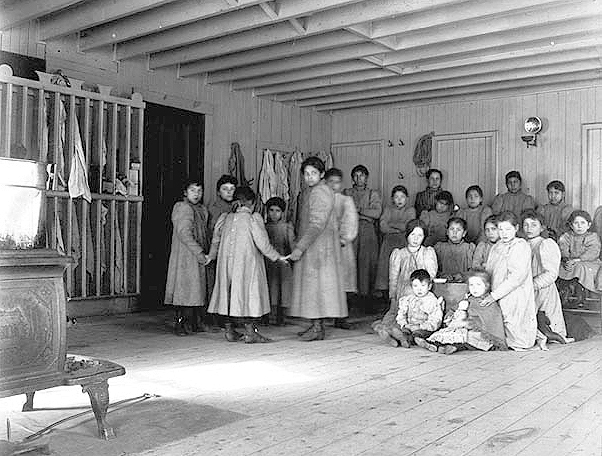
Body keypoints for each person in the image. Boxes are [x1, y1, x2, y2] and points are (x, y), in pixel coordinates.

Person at [206, 186, 286, 343]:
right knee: (248, 296)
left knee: (228, 295)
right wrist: (277, 257)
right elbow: (263, 244)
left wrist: (211, 256)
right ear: (252, 202)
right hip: (247, 265)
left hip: (226, 265)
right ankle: (251, 333)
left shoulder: (225, 218)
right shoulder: (253, 218)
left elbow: (215, 240)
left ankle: (229, 331)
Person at [289, 157, 348, 341]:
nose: (309, 177)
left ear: (322, 174)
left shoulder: (318, 192)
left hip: (318, 246)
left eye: (313, 173)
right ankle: (315, 326)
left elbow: (316, 224)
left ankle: (317, 328)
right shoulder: (320, 190)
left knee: (315, 287)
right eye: (306, 174)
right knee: (316, 287)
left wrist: (300, 247)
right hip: (321, 245)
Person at [371, 219, 438, 346]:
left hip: (422, 293)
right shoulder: (399, 253)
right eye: (412, 234)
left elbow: (431, 274)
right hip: (403, 294)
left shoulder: (427, 252)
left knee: (417, 319)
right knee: (397, 316)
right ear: (407, 235)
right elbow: (394, 276)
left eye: (420, 235)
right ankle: (391, 335)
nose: (416, 238)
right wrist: (393, 295)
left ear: (424, 237)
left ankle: (403, 336)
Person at [417, 269, 508, 354]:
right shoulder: (468, 298)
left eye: (478, 285)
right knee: (449, 332)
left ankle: (455, 347)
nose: (474, 288)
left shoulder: (488, 302)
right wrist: (451, 316)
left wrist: (468, 322)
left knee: (469, 336)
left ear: (486, 286)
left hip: (479, 333)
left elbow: (489, 322)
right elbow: (455, 308)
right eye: (471, 285)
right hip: (461, 326)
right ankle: (433, 344)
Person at [483, 211, 537, 350]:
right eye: (500, 229)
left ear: (516, 228)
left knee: (515, 329)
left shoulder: (520, 245)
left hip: (515, 293)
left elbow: (516, 277)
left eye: (508, 229)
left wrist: (494, 295)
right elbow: (489, 270)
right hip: (497, 291)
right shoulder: (496, 246)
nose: (504, 233)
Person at [164, 179, 210, 336]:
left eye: (199, 191)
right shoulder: (183, 208)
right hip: (186, 255)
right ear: (185, 192)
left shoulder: (201, 209)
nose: (196, 194)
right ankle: (180, 324)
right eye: (192, 191)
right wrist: (199, 252)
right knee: (184, 290)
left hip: (196, 254)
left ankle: (194, 323)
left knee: (195, 290)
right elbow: (184, 234)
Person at [522, 210, 567, 338]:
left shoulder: (546, 244)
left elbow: (551, 274)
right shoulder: (522, 244)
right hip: (527, 289)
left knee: (547, 321)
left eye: (533, 225)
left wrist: (532, 284)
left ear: (542, 227)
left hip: (543, 290)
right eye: (526, 225)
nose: (529, 228)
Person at [325, 168, 359, 329]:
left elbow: (350, 221)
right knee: (326, 282)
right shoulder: (320, 199)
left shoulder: (346, 200)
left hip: (342, 246)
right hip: (324, 247)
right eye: (330, 181)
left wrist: (343, 238)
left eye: (337, 182)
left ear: (341, 184)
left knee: (344, 283)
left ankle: (342, 318)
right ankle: (325, 316)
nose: (333, 185)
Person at [343, 165, 382, 298]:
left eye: (362, 175)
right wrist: (365, 212)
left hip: (367, 230)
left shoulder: (373, 193)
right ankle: (349, 297)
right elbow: (343, 212)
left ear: (366, 178)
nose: (359, 178)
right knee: (349, 261)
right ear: (352, 178)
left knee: (366, 262)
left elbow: (376, 213)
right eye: (356, 176)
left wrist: (358, 211)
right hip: (349, 229)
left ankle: (366, 297)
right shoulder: (347, 192)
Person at [375, 185, 416, 294]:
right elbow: (383, 226)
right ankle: (385, 293)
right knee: (386, 266)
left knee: (403, 266)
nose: (399, 200)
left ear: (407, 198)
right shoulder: (388, 209)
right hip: (388, 243)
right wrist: (398, 229)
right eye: (396, 197)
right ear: (392, 198)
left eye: (402, 197)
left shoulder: (410, 210)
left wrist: (392, 224)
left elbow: (408, 226)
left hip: (404, 242)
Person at [557, 210, 602, 304]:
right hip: (570, 262)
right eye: (576, 223)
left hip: (589, 262)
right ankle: (566, 289)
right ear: (571, 225)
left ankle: (581, 290)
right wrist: (566, 260)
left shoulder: (593, 236)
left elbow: (593, 252)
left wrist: (577, 260)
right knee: (562, 268)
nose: (579, 226)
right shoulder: (566, 236)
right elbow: (563, 249)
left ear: (589, 225)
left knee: (581, 267)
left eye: (582, 223)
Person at [265, 196, 295, 326]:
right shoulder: (264, 226)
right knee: (269, 288)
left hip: (283, 261)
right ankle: (266, 316)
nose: (274, 214)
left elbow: (292, 244)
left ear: (282, 212)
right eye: (271, 210)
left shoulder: (286, 227)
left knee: (283, 289)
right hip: (268, 261)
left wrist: (291, 258)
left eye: (277, 210)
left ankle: (280, 317)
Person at [394, 269, 443, 348]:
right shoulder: (408, 299)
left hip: (424, 327)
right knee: (403, 331)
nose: (419, 289)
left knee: (419, 334)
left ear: (429, 286)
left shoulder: (431, 301)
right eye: (415, 286)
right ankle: (400, 338)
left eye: (423, 286)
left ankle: (419, 341)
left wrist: (420, 326)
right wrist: (404, 324)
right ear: (411, 287)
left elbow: (436, 320)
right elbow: (401, 314)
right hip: (409, 326)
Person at [434, 217, 476, 282]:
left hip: (463, 283)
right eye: (452, 229)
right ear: (447, 232)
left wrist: (463, 275)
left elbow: (473, 270)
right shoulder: (440, 247)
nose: (454, 232)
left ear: (464, 233)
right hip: (443, 284)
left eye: (458, 230)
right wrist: (442, 275)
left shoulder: (469, 248)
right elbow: (434, 269)